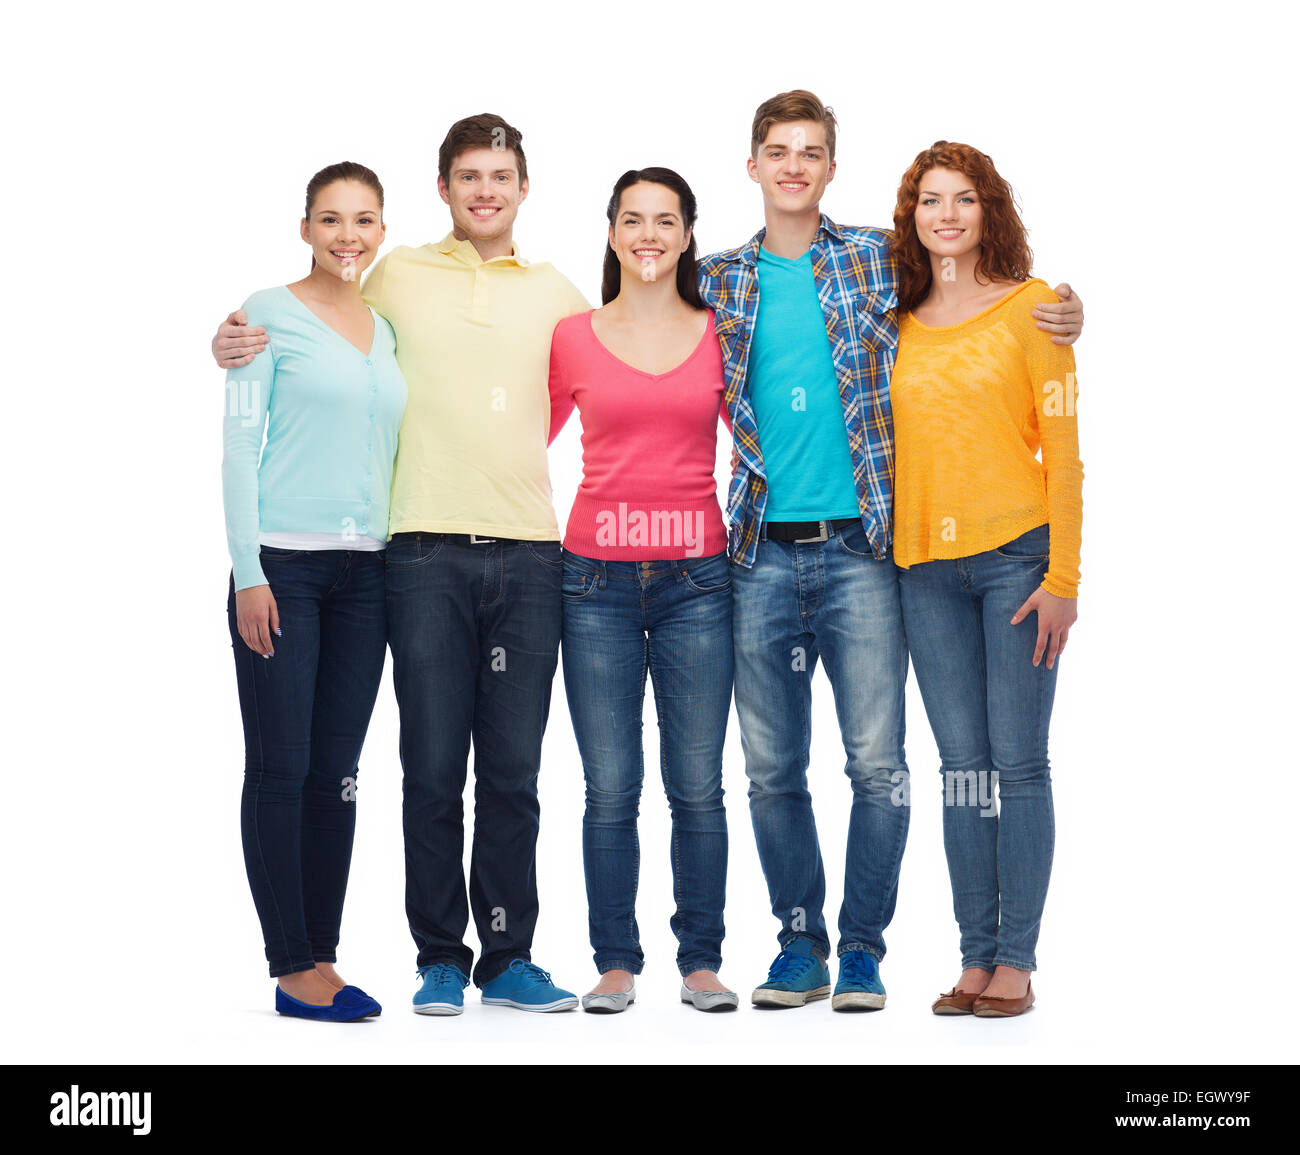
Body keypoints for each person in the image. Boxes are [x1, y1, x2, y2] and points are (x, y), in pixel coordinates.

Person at [698, 91, 1085, 1011]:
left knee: (911, 763)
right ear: (751, 164)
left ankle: (932, 955)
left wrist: (1068, 308)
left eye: (813, 151)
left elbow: (1028, 358)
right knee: (802, 767)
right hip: (802, 555)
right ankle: (843, 949)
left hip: (894, 554)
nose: (795, 165)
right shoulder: (715, 279)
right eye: (778, 150)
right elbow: (635, 295)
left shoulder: (880, 263)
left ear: (833, 168)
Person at [215, 115, 589, 1016]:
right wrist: (228, 346)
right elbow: (272, 386)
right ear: (444, 189)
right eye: (469, 175)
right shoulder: (385, 279)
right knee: (417, 766)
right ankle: (424, 958)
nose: (486, 190)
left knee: (501, 770)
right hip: (399, 552)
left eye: (501, 175)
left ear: (525, 188)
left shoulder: (555, 292)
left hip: (496, 553)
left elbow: (596, 383)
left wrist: (506, 450)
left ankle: (502, 958)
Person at [889, 142, 1082, 1017]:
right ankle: (973, 956)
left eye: (964, 199)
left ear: (988, 209)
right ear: (914, 217)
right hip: (923, 568)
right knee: (962, 768)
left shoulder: (1037, 311)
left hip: (1016, 560)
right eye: (931, 201)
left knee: (1020, 762)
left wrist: (1064, 577)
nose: (947, 215)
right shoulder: (895, 320)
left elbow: (1067, 456)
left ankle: (1018, 960)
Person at [547, 169, 736, 1013]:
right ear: (614, 231)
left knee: (696, 782)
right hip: (593, 582)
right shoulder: (571, 336)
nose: (649, 234)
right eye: (634, 219)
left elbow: (785, 429)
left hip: (699, 580)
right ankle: (616, 960)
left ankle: (700, 959)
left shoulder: (722, 330)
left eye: (666, 220)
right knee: (610, 784)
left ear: (689, 234)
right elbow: (510, 434)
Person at [222, 161, 407, 1021]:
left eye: (363, 221)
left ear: (381, 232)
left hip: (366, 571)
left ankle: (322, 956)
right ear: (305, 228)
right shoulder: (265, 314)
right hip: (284, 568)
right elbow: (237, 446)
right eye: (330, 220)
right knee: (282, 764)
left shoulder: (387, 326)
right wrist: (250, 572)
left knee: (337, 771)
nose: (347, 236)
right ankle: (290, 963)